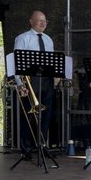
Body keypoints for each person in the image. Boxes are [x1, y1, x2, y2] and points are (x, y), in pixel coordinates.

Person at [13, 10, 56, 158]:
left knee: (46, 114)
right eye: (39, 20)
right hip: (30, 80)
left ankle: (42, 145)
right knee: (28, 114)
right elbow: (16, 62)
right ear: (31, 21)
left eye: (45, 21)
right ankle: (26, 149)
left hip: (47, 79)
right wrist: (20, 84)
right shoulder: (23, 38)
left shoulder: (49, 40)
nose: (43, 23)